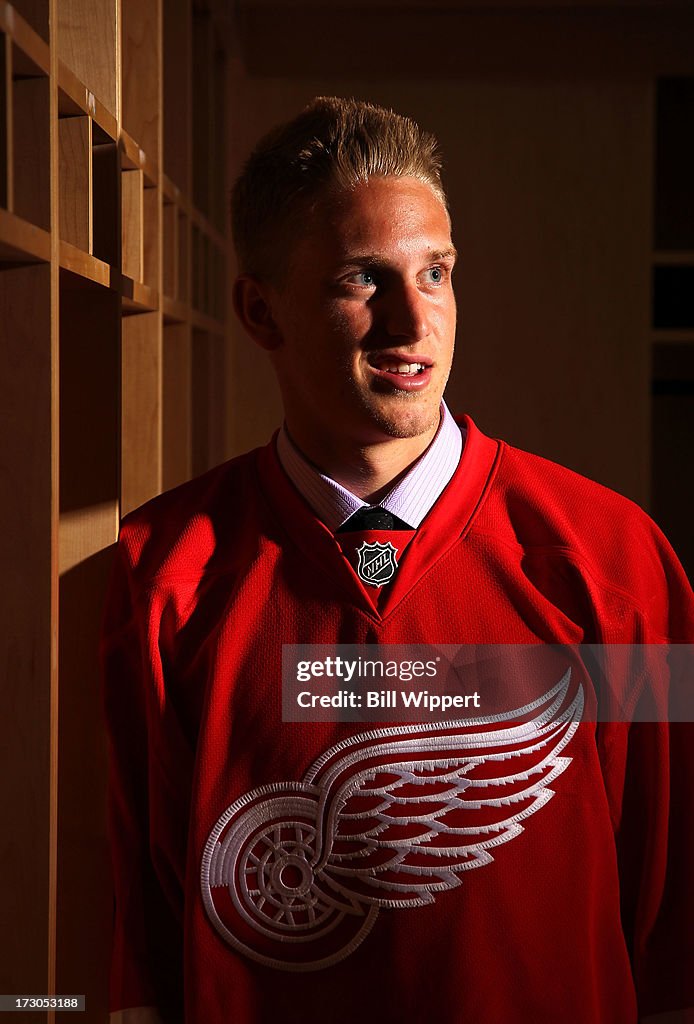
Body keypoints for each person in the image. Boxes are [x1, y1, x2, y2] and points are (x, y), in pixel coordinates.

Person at [102, 97, 693, 1024]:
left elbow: (673, 921)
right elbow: (144, 931)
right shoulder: (161, 576)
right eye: (362, 279)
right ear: (261, 311)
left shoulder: (618, 561)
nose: (413, 321)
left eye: (436, 272)